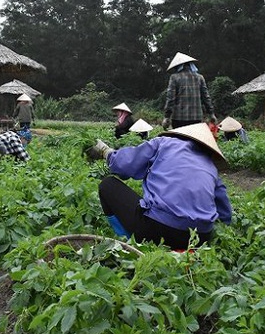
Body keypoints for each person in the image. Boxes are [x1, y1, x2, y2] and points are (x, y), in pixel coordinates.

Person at [88, 122, 232, 250]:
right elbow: (225, 213)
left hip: (159, 230)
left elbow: (124, 164)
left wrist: (106, 152)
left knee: (108, 185)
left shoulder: (165, 143)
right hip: (200, 238)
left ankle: (128, 245)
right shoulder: (211, 166)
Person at [162, 52, 217, 130]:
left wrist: (167, 117)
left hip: (179, 119)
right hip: (196, 118)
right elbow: (206, 97)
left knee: (180, 141)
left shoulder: (174, 77)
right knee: (193, 141)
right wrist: (211, 113)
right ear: (190, 65)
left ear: (178, 66)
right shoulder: (200, 77)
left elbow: (171, 99)